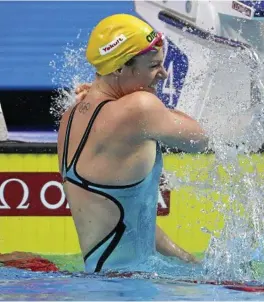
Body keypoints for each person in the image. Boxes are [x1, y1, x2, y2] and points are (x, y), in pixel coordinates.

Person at [56, 13, 208, 274]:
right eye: (153, 66)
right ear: (119, 68)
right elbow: (200, 140)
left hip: (104, 283)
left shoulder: (70, 118)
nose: (162, 74)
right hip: (130, 289)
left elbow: (129, 219)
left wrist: (188, 261)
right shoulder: (139, 108)